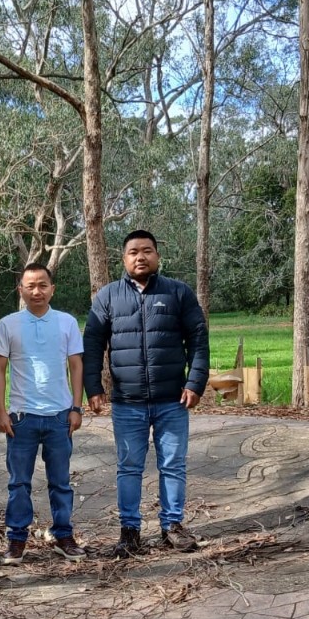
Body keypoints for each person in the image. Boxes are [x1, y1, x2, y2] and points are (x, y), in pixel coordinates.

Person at [82, 229, 210, 558]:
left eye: (148, 251)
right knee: (128, 467)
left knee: (172, 465)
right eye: (134, 252)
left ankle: (172, 526)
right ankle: (130, 531)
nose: (141, 257)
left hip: (172, 399)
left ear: (157, 256)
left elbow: (197, 338)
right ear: (123, 259)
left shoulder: (178, 293)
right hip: (127, 402)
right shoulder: (108, 297)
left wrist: (195, 382)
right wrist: (93, 386)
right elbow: (93, 343)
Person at [0, 263, 87, 565]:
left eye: (43, 285)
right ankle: (17, 540)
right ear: (21, 289)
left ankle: (63, 536)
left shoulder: (67, 322)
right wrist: (1, 412)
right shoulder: (8, 324)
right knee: (19, 482)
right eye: (30, 286)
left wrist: (76, 407)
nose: (37, 291)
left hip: (59, 416)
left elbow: (76, 366)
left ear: (52, 289)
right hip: (22, 417)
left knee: (60, 481)